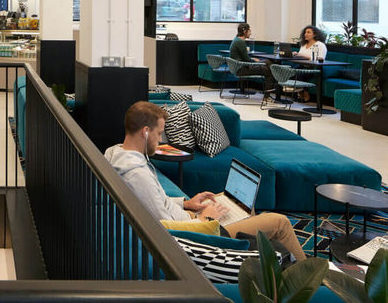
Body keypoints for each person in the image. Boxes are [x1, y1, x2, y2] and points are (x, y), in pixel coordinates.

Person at [104, 101, 306, 262]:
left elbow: (154, 200)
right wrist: (206, 219)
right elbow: (167, 228)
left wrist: (186, 203)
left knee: (237, 204)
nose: (160, 140)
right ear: (145, 132)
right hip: (197, 234)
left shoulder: (118, 153)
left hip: (189, 218)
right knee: (280, 223)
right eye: (158, 134)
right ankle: (311, 281)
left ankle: (251, 254)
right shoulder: (136, 174)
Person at [229, 23, 275, 91]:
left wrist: (252, 59)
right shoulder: (240, 42)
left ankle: (271, 90)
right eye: (249, 31)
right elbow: (247, 60)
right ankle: (269, 93)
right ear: (245, 31)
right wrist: (254, 60)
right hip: (241, 69)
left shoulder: (236, 40)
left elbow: (244, 58)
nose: (250, 33)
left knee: (268, 62)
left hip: (238, 67)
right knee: (268, 70)